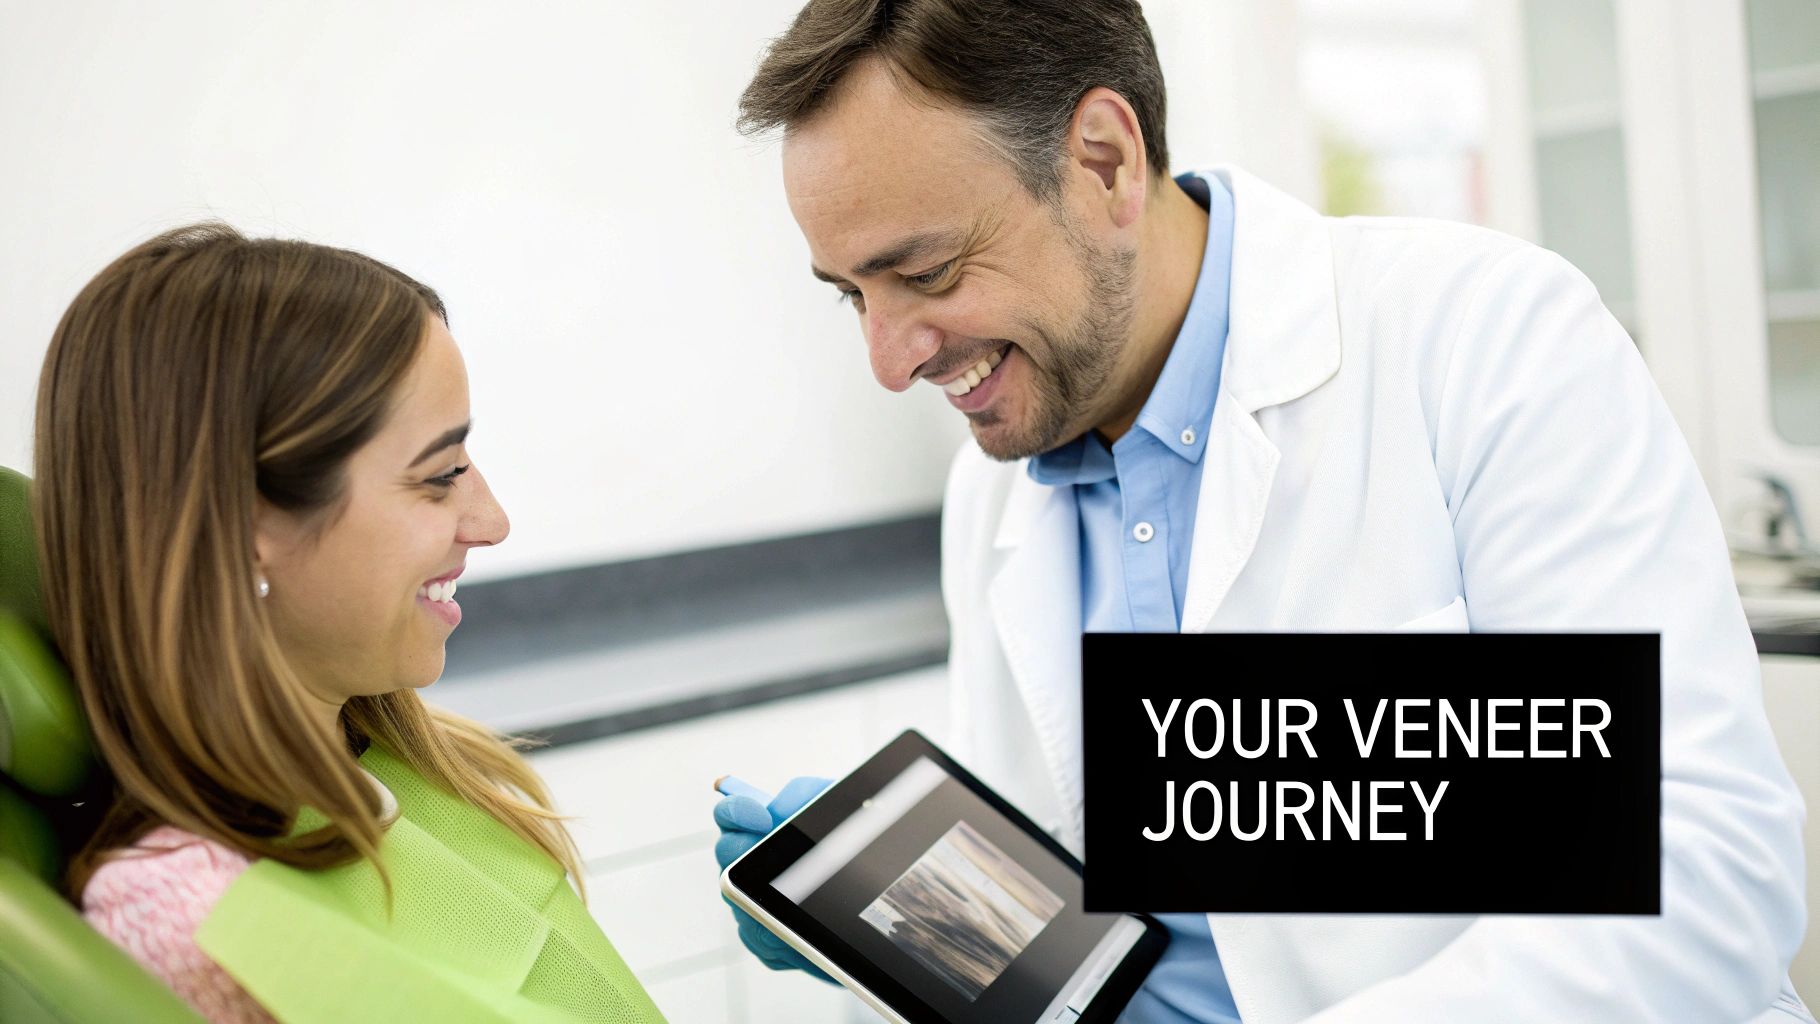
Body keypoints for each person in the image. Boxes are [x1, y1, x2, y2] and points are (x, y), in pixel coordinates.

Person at [710, 1, 1814, 1020]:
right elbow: (1109, 953)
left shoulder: (1487, 340)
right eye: (853, 293)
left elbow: (1704, 876)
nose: (888, 362)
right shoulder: (993, 488)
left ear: (1102, 161)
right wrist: (944, 939)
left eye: (930, 272)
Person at [34, 224, 666, 1023]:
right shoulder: (194, 919)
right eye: (439, 477)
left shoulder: (409, 768)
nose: (492, 521)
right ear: (242, 521)